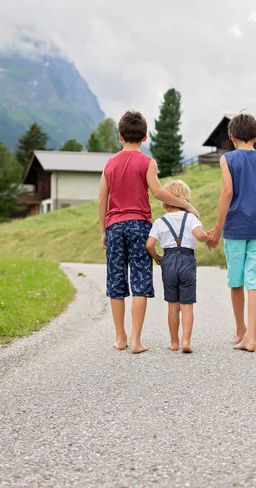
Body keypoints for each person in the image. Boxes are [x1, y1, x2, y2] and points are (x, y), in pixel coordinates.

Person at [98, 111, 199, 354]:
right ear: (145, 137)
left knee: (116, 282)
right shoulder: (147, 162)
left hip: (114, 226)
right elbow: (157, 192)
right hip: (140, 225)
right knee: (140, 282)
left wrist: (104, 229)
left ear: (120, 136)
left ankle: (120, 338)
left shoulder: (110, 163)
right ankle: (136, 341)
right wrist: (186, 205)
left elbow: (102, 199)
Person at [207, 113, 256, 352]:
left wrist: (217, 229)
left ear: (232, 136)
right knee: (255, 283)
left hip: (235, 230)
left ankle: (240, 330)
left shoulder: (227, 159)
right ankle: (251, 336)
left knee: (236, 281)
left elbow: (227, 193)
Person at [146, 180, 209, 353]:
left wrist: (157, 257)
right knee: (187, 304)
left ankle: (174, 342)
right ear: (185, 198)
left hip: (168, 260)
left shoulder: (160, 221)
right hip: (187, 260)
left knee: (172, 305)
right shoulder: (190, 218)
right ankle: (186, 341)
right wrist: (207, 238)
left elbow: (149, 244)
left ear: (165, 201)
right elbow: (199, 235)